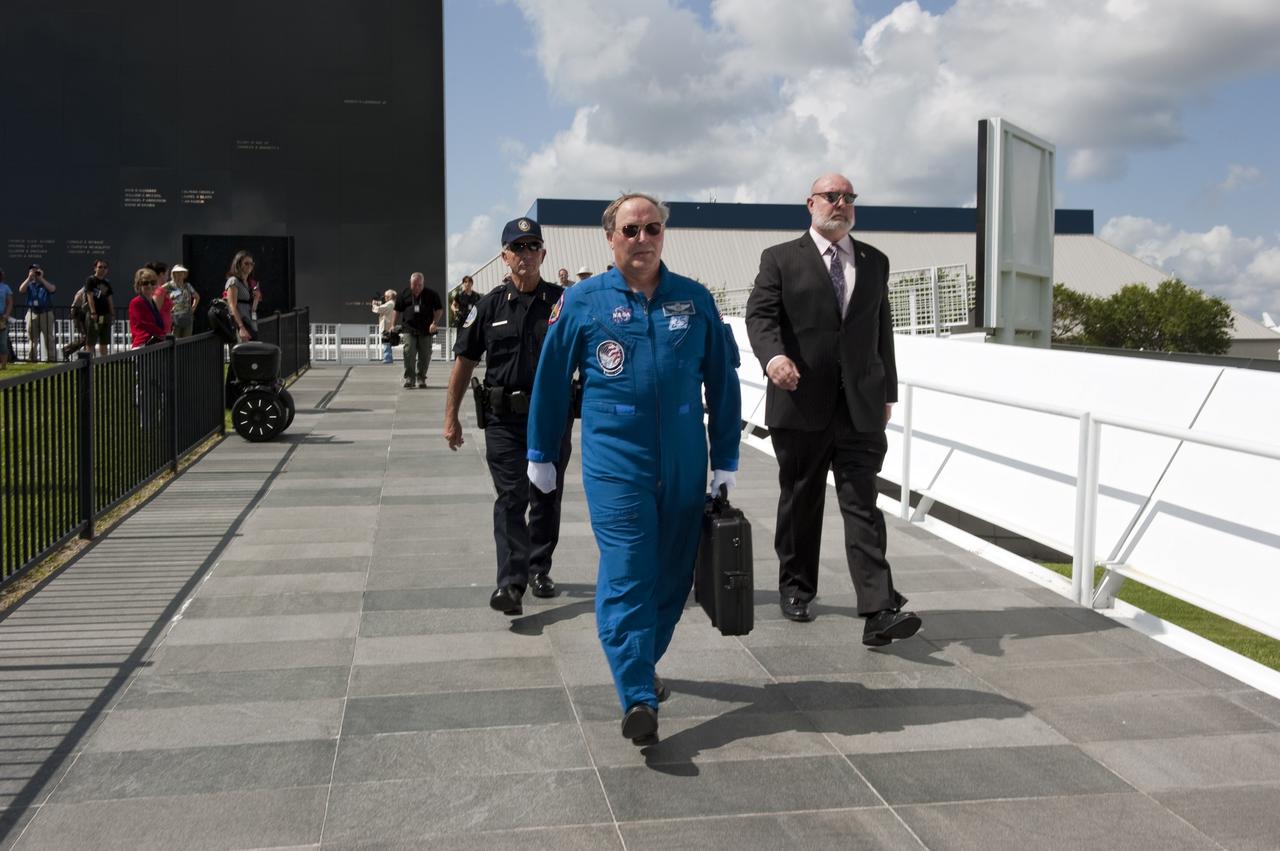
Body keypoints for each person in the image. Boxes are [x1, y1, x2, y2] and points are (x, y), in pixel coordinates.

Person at [526, 193, 741, 744]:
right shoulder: (582, 302)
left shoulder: (693, 301)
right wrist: (540, 452)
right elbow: (552, 381)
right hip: (616, 461)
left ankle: (640, 664)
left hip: (685, 463)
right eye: (630, 230)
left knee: (671, 579)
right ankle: (637, 695)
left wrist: (726, 460)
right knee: (626, 571)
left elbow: (723, 382)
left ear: (663, 234)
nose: (642, 239)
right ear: (610, 237)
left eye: (652, 229)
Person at [744, 172, 920, 646]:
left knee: (863, 504)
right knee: (802, 499)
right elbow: (759, 316)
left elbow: (882, 331)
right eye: (831, 196)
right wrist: (774, 357)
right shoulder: (780, 259)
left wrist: (888, 394)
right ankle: (797, 587)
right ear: (810, 204)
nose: (840, 204)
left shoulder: (875, 261)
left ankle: (879, 609)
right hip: (801, 400)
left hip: (860, 405)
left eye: (848, 197)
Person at [445, 218, 572, 614]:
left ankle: (539, 568)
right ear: (504, 256)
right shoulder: (488, 306)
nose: (526, 255)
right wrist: (451, 417)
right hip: (503, 419)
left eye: (533, 246)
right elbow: (464, 362)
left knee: (546, 494)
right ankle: (511, 584)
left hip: (550, 417)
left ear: (543, 254)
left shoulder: (563, 303)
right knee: (512, 496)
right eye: (518, 248)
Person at [393, 272, 442, 388]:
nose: (417, 287)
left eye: (419, 285)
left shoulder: (432, 294)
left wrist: (434, 323)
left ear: (423, 283)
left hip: (426, 329)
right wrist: (392, 325)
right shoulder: (403, 294)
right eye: (414, 285)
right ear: (410, 283)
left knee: (425, 355)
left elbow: (439, 310)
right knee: (409, 352)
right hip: (408, 328)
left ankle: (421, 378)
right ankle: (410, 378)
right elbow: (397, 310)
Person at [19, 264, 57, 362]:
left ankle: (51, 358)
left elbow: (52, 289)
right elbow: (21, 290)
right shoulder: (29, 284)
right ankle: (32, 359)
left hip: (46, 312)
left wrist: (41, 278)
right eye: (33, 271)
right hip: (32, 313)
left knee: (48, 337)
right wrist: (29, 278)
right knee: (32, 338)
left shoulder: (45, 283)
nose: (35, 273)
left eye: (37, 271)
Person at [128, 268, 166, 348]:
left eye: (152, 283)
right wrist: (162, 334)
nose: (149, 285)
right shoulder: (136, 302)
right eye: (145, 283)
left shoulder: (152, 302)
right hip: (142, 345)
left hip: (155, 343)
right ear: (139, 285)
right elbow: (144, 323)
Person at [83, 259, 114, 357]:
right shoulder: (91, 280)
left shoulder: (107, 283)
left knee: (104, 340)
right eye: (100, 267)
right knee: (91, 340)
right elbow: (90, 296)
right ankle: (89, 363)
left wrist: (112, 313)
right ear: (95, 268)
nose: (102, 269)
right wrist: (93, 312)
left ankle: (103, 362)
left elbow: (110, 299)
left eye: (105, 267)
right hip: (95, 314)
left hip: (105, 314)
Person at [224, 251, 256, 342]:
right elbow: (232, 306)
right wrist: (241, 328)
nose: (249, 266)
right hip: (240, 325)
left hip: (248, 322)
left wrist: (256, 299)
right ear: (238, 264)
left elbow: (252, 308)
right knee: (243, 353)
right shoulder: (233, 281)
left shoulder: (247, 283)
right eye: (246, 263)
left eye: (251, 264)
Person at [165, 264, 199, 338]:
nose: (180, 274)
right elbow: (159, 293)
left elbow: (197, 297)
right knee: (175, 340)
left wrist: (193, 308)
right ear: (173, 274)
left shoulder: (187, 286)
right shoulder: (169, 286)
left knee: (186, 341)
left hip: (187, 317)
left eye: (182, 272)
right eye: (177, 272)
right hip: (174, 318)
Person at [145, 261, 173, 335]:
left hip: (164, 329)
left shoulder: (158, 289)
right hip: (161, 331)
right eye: (167, 274)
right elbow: (155, 312)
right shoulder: (160, 291)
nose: (168, 277)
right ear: (161, 274)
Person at [371, 288, 397, 363]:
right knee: (387, 342)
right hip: (389, 324)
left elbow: (379, 309)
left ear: (390, 296)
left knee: (386, 341)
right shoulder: (392, 303)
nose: (384, 297)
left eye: (386, 296)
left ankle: (387, 358)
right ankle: (388, 357)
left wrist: (374, 305)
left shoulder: (390, 303)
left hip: (386, 325)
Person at [0, 269, 12, 370]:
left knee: (3, 343)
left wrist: (6, 315)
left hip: (1, 318)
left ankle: (3, 366)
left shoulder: (5, 288)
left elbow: (10, 303)